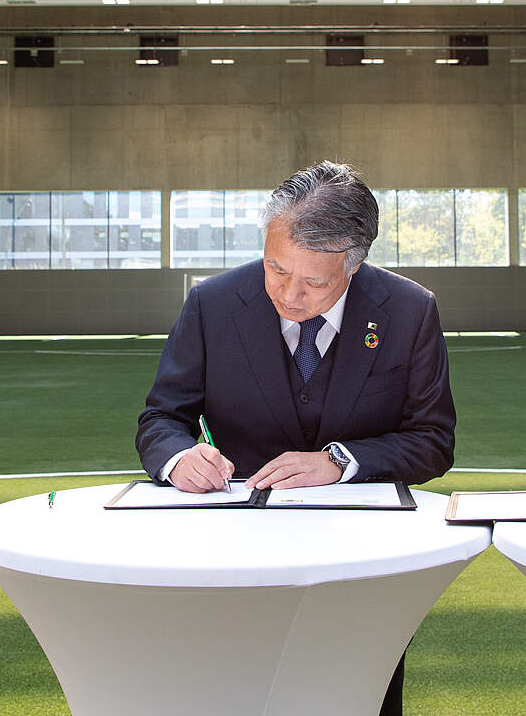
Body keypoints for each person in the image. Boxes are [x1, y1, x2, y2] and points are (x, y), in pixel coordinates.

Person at [136, 161, 455, 715]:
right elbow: (161, 418)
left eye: (314, 282)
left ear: (354, 266)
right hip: (240, 554)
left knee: (360, 692)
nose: (288, 294)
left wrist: (340, 461)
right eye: (275, 268)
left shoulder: (409, 311)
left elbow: (433, 440)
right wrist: (179, 457)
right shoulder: (212, 304)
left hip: (365, 561)